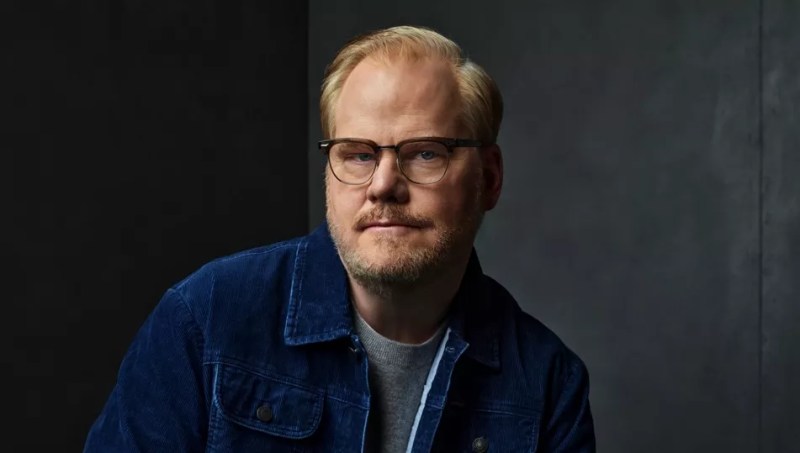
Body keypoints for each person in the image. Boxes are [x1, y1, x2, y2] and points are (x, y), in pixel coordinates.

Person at [84, 25, 595, 452]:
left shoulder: (547, 385)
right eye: (358, 154)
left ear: (490, 177)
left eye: (425, 153)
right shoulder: (205, 321)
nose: (384, 186)